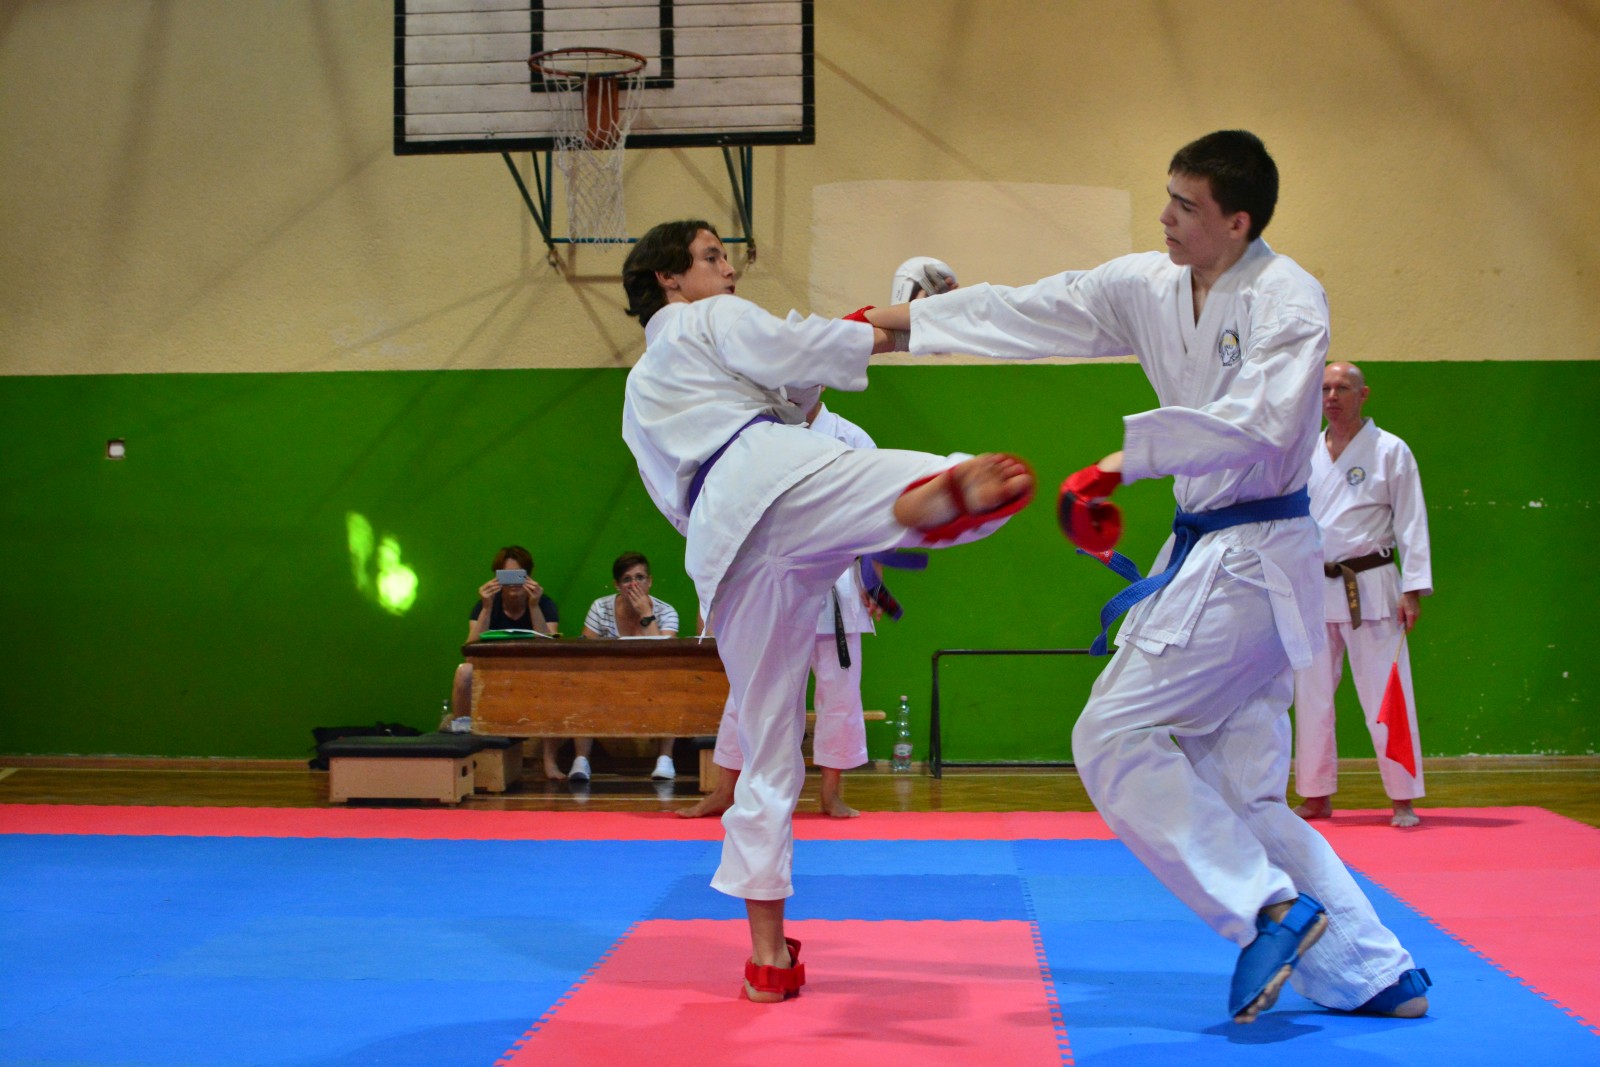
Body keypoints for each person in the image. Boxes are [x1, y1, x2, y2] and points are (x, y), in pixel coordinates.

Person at [866, 131, 1429, 1023]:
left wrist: (1123, 462)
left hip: (1254, 554)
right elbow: (1040, 308)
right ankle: (1372, 970)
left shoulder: (1288, 297)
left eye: (1186, 206)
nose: (1165, 217)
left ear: (1237, 222)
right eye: (1166, 195)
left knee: (1112, 733)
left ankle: (1268, 910)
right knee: (1236, 788)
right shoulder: (1152, 286)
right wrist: (899, 324)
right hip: (1213, 553)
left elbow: (1258, 419)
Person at [620, 219, 1033, 1002]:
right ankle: (927, 498)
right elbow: (800, 351)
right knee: (924, 481)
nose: (728, 269)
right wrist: (898, 325)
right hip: (779, 471)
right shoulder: (709, 318)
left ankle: (767, 956)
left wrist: (882, 324)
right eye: (712, 257)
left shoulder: (638, 392)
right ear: (669, 279)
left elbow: (789, 388)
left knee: (767, 749)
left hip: (720, 541)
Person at [681, 259, 958, 822]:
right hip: (766, 577)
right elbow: (729, 514)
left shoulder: (850, 437)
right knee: (747, 691)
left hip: (838, 586)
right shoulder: (757, 434)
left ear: (822, 384)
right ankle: (724, 791)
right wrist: (714, 592)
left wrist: (874, 584)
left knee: (839, 691)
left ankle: (831, 794)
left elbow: (875, 515)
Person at [1292, 362, 1432, 827]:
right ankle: (1315, 795)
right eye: (1325, 389)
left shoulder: (1390, 450)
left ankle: (1402, 797)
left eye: (1342, 388)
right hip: (1313, 588)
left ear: (1363, 394)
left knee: (1386, 696)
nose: (1332, 396)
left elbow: (1411, 520)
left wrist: (1413, 589)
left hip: (1371, 587)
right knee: (1311, 698)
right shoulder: (1304, 451)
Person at [449, 546, 579, 781]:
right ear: (496, 578)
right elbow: (470, 652)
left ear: (528, 576)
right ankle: (462, 749)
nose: (512, 583)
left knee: (556, 681)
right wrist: (487, 607)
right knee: (463, 672)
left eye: (518, 575)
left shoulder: (544, 604)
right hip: (495, 676)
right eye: (506, 576)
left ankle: (549, 762)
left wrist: (534, 606)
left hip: (533, 675)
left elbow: (550, 649)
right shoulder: (484, 605)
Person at [581, 551, 683, 780]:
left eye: (640, 578)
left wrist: (646, 614)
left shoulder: (666, 612)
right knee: (581, 683)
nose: (634, 584)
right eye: (627, 579)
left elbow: (663, 656)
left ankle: (665, 759)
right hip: (608, 680)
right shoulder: (600, 608)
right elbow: (583, 652)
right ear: (617, 585)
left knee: (673, 683)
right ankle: (581, 760)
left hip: (652, 681)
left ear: (650, 581)